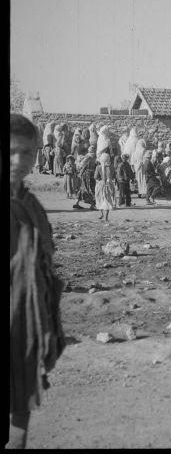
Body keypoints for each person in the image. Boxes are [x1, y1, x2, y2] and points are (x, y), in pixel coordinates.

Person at [9, 114, 66, 449]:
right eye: (13, 151)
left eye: (28, 153)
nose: (20, 161)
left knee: (21, 400)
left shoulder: (31, 204)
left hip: (26, 320)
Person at [94, 152, 117, 221]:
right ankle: (106, 217)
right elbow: (114, 176)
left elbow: (95, 177)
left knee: (100, 199)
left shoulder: (98, 167)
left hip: (101, 185)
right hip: (109, 184)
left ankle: (102, 214)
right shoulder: (112, 167)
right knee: (107, 200)